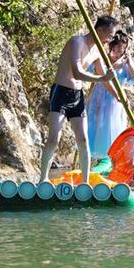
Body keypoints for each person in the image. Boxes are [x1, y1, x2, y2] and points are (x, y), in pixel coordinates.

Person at [39, 16, 118, 185]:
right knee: (54, 138)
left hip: (77, 96)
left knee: (83, 139)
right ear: (100, 30)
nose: (110, 40)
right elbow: (77, 72)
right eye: (110, 35)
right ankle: (43, 179)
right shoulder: (77, 42)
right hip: (61, 92)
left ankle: (85, 182)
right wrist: (101, 77)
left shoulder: (98, 50)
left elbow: (104, 78)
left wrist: (118, 95)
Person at [86, 31, 134, 167]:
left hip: (116, 101)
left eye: (121, 49)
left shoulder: (125, 63)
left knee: (113, 131)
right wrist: (115, 64)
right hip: (100, 97)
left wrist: (129, 62)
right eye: (116, 48)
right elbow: (98, 73)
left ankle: (113, 164)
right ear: (111, 46)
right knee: (95, 128)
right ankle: (89, 164)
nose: (118, 52)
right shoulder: (102, 58)